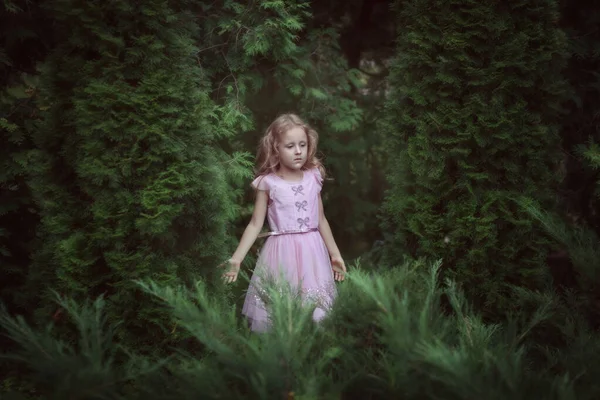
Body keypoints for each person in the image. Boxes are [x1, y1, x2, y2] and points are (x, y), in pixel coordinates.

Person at [222, 113, 346, 332]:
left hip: (312, 251)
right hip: (281, 253)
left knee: (314, 308)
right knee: (279, 309)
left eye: (303, 145)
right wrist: (237, 258)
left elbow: (321, 219)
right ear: (276, 148)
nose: (298, 151)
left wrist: (334, 254)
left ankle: (311, 351)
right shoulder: (268, 183)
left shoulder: (313, 177)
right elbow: (255, 224)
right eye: (290, 146)